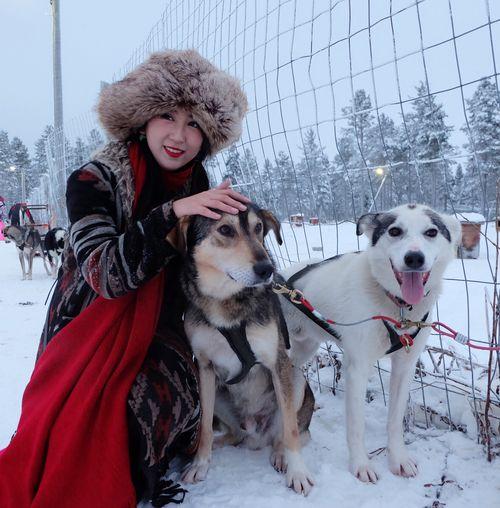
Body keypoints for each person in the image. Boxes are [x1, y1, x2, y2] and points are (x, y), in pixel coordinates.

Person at [0, 49, 249, 507]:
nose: (179, 135)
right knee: (107, 411)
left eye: (195, 123)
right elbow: (103, 275)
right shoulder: (93, 181)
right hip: (89, 321)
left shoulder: (200, 184)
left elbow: (207, 269)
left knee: (161, 397)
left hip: (166, 323)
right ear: (141, 119)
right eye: (167, 116)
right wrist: (170, 215)